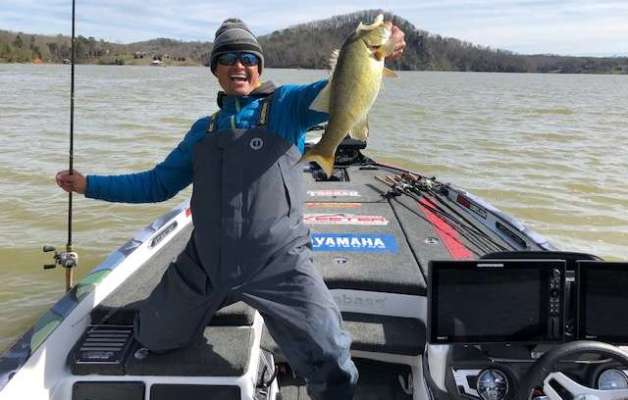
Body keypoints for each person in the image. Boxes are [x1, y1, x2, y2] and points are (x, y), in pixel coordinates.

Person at [56, 18, 406, 399]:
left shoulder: (288, 105)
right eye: (226, 58)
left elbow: (341, 89)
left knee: (331, 357)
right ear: (215, 70)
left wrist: (379, 48)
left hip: (278, 262)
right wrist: (88, 185)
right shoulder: (201, 131)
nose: (238, 65)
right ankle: (206, 301)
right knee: (151, 336)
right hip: (206, 264)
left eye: (247, 58)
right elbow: (156, 184)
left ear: (259, 67)